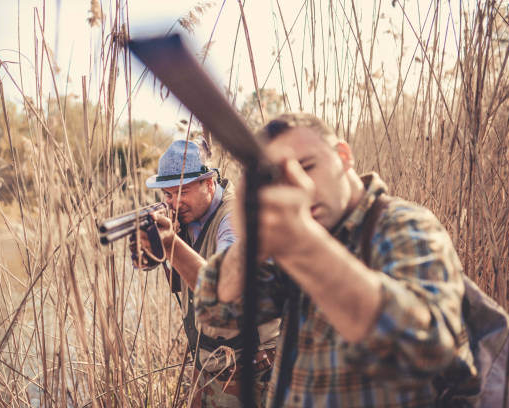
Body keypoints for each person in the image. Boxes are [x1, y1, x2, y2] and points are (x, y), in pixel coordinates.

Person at [194, 113, 477, 407]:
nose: (300, 189)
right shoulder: (304, 236)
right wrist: (252, 242)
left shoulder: (403, 225)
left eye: (307, 167)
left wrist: (304, 241)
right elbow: (215, 308)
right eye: (282, 180)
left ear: (343, 156)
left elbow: (425, 350)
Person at [134, 139, 280, 407]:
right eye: (167, 194)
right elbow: (182, 283)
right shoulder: (187, 219)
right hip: (212, 365)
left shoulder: (237, 219)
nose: (174, 202)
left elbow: (224, 289)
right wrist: (154, 252)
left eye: (183, 191)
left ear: (209, 184)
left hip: (252, 369)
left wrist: (171, 245)